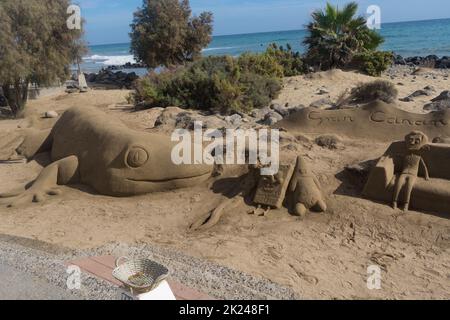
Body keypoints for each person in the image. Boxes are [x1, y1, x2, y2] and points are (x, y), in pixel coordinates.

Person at [392, 131, 430, 211]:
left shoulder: (419, 158)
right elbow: (398, 156)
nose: (412, 143)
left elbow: (424, 167)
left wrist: (426, 176)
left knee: (409, 187)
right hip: (404, 173)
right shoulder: (405, 156)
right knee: (398, 185)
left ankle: (406, 204)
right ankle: (394, 201)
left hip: (413, 175)